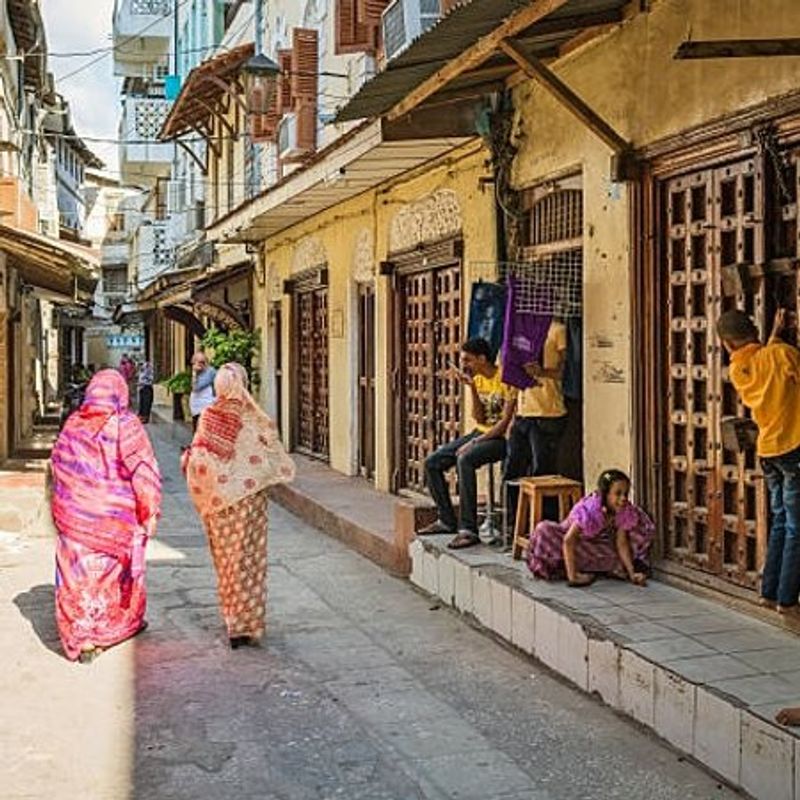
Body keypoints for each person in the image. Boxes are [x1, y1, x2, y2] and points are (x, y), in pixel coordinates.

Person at [49, 369, 162, 662]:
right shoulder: (126, 424)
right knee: (111, 577)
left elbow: (58, 466)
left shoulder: (73, 423)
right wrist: (149, 510)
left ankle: (82, 637)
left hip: (75, 518)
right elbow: (143, 471)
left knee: (78, 577)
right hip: (115, 520)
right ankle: (114, 628)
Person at [182, 362, 295, 648]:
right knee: (250, 561)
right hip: (251, 503)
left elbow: (198, 461)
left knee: (228, 562)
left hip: (220, 505)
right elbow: (269, 453)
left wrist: (195, 467)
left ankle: (233, 620)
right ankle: (249, 621)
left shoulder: (208, 417)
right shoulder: (254, 417)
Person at [717, 308, 800, 615]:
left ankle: (769, 591)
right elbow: (777, 360)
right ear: (753, 330)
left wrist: (775, 333)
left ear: (727, 345)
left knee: (781, 521)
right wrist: (779, 336)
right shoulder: (783, 355)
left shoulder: (739, 369)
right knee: (796, 527)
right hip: (794, 447)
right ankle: (787, 599)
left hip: (768, 453)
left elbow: (763, 359)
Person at [418, 338, 517, 550]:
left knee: (465, 459)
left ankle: (468, 529)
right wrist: (472, 388)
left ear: (482, 358)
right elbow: (479, 419)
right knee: (432, 462)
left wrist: (474, 442)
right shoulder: (479, 380)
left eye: (468, 360)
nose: (464, 365)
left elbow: (504, 423)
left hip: (502, 439)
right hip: (480, 433)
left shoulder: (506, 379)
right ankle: (446, 519)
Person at [528, 469, 654, 587]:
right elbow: (568, 541)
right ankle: (570, 569)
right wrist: (573, 577)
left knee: (617, 555)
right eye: (618, 493)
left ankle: (599, 568)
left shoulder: (623, 510)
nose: (623, 498)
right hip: (567, 541)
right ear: (605, 495)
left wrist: (632, 574)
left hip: (592, 543)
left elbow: (621, 543)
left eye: (625, 493)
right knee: (543, 530)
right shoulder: (591, 510)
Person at [504, 320, 569, 527]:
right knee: (513, 471)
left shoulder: (557, 330)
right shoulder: (519, 331)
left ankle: (544, 526)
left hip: (547, 413)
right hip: (523, 414)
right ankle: (515, 525)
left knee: (543, 474)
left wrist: (542, 372)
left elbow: (566, 372)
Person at [189, 351, 216, 431]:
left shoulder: (210, 372)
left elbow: (196, 387)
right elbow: (194, 387)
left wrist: (194, 373)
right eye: (196, 362)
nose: (200, 364)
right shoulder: (197, 373)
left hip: (207, 404)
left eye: (202, 362)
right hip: (196, 405)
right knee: (196, 427)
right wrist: (194, 373)